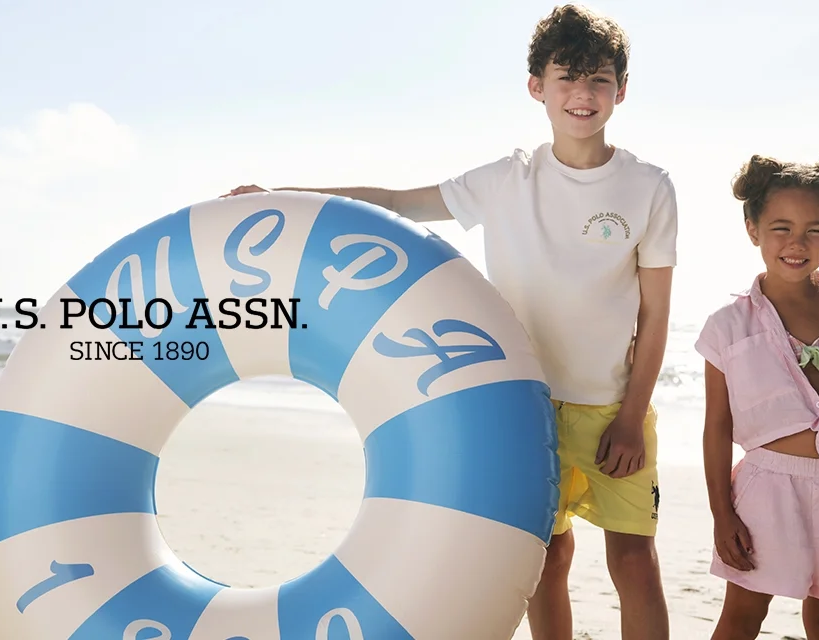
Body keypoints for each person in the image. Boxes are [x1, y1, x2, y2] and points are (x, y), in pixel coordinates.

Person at [221, 5, 676, 638]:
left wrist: (631, 417)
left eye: (599, 79)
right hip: (524, 408)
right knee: (547, 559)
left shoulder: (649, 187)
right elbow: (401, 203)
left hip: (611, 409)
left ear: (621, 91)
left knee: (634, 560)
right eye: (566, 76)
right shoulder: (505, 178)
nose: (583, 93)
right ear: (536, 87)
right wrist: (289, 198)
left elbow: (656, 316)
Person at [693, 144, 819, 640]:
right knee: (743, 615)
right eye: (781, 227)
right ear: (753, 229)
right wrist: (722, 513)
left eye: (814, 230)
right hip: (768, 488)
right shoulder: (729, 327)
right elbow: (716, 428)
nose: (796, 242)